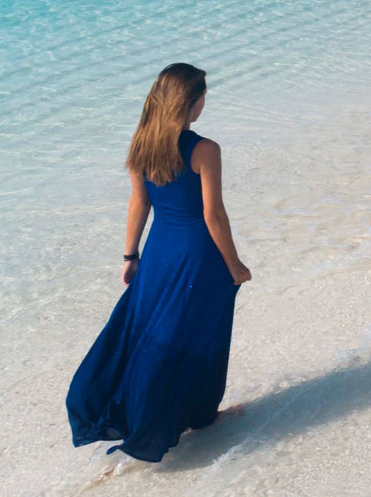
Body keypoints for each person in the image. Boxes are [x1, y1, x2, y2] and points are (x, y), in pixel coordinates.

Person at [66, 62, 251, 462]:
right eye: (203, 96)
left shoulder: (142, 144)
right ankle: (195, 417)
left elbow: (139, 202)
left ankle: (157, 414)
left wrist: (130, 256)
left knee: (154, 334)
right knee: (201, 334)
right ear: (192, 102)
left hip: (159, 253)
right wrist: (234, 264)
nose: (205, 102)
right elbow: (213, 215)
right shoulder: (205, 149)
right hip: (200, 255)